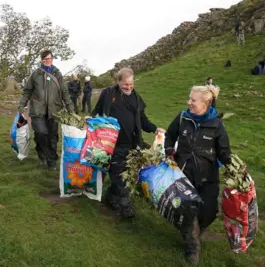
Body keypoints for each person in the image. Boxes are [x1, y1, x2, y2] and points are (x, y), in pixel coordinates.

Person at [164, 85, 232, 264]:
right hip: (183, 174)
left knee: (209, 212)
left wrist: (231, 165)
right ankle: (192, 246)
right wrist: (169, 149)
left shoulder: (217, 124)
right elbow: (170, 135)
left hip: (208, 177)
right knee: (187, 211)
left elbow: (224, 150)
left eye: (193, 100)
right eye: (189, 98)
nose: (189, 103)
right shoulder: (182, 117)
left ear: (206, 103)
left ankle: (195, 230)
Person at [92, 67, 165, 219]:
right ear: (118, 81)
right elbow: (98, 111)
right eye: (125, 84)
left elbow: (143, 120)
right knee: (120, 175)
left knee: (125, 173)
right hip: (111, 143)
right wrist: (89, 122)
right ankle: (126, 207)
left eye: (131, 84)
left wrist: (154, 129)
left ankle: (111, 197)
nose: (129, 87)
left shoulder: (136, 98)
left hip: (132, 144)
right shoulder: (108, 93)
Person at [18, 50, 74, 170]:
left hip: (54, 109)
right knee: (41, 133)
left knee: (52, 136)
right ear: (41, 60)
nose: (47, 61)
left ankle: (52, 160)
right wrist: (22, 105)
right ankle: (41, 149)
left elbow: (64, 92)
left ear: (52, 59)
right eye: (44, 59)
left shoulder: (57, 74)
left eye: (49, 59)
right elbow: (27, 91)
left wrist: (70, 108)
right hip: (37, 109)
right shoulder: (35, 74)